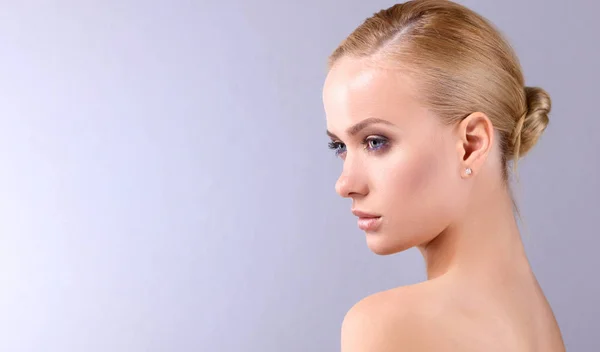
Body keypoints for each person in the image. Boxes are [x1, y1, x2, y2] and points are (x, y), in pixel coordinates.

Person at [322, 0, 566, 351]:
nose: (345, 185)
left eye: (376, 142)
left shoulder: (387, 325)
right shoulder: (536, 320)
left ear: (471, 143)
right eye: (340, 147)